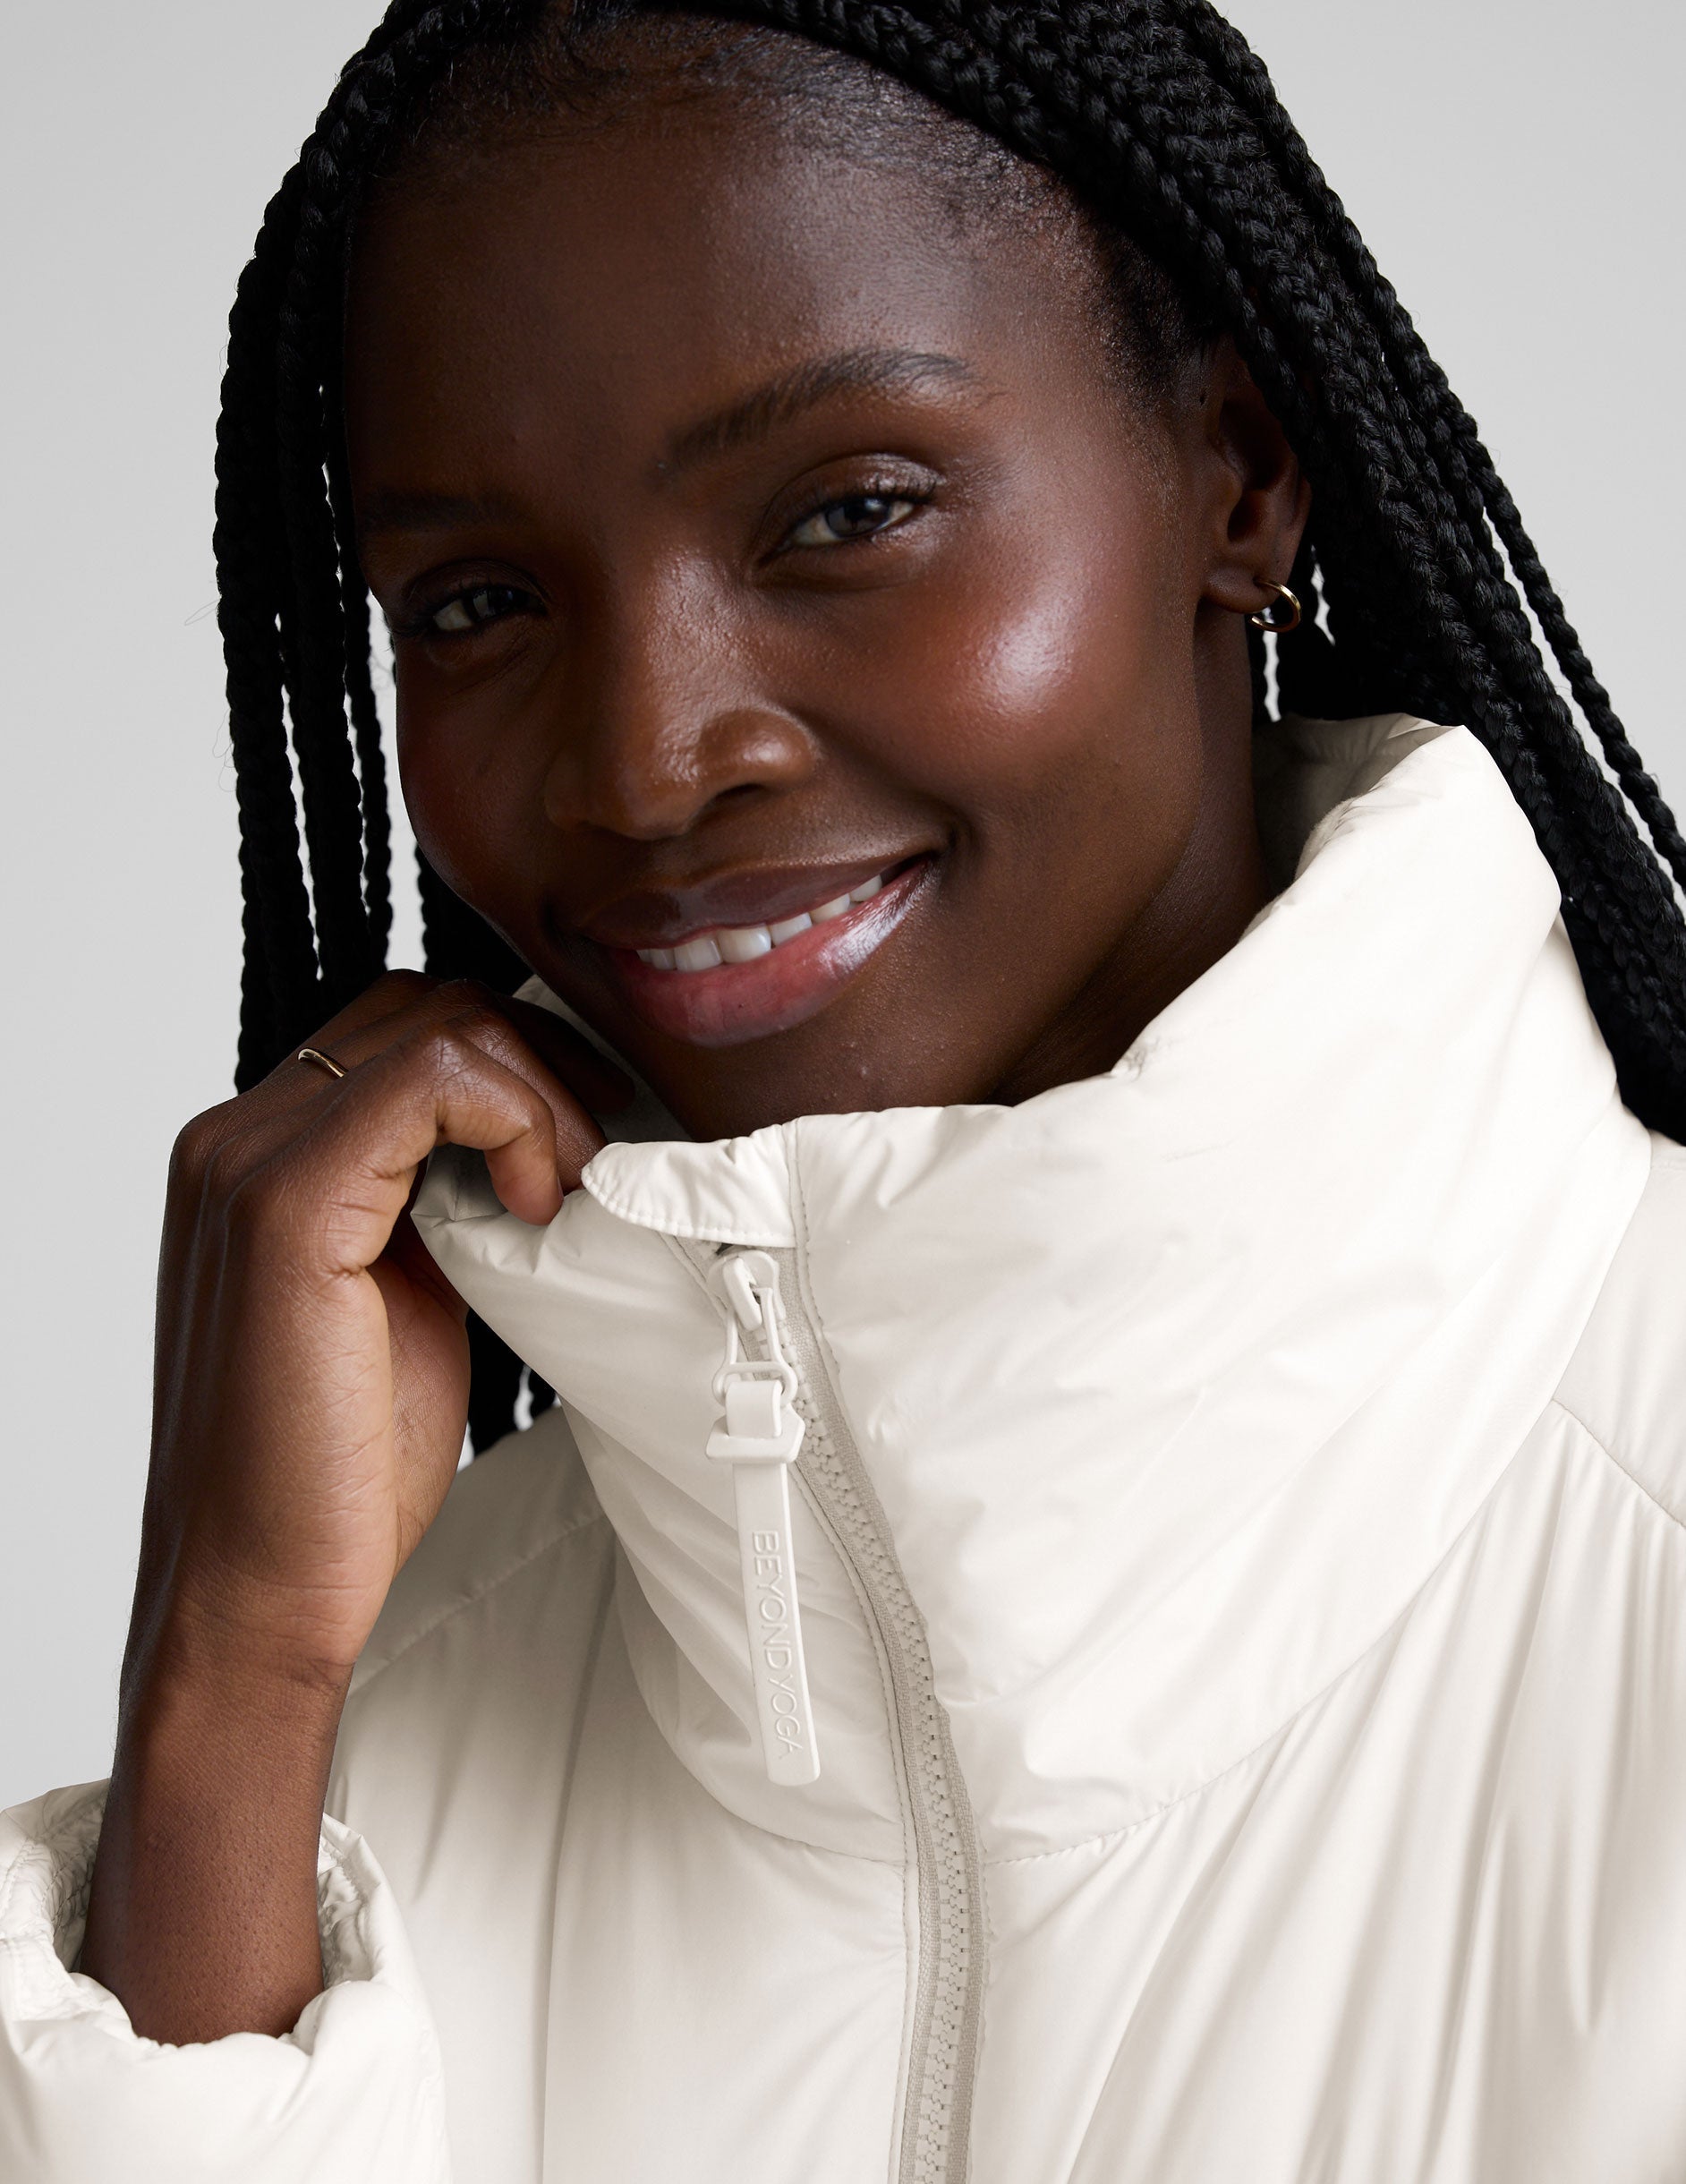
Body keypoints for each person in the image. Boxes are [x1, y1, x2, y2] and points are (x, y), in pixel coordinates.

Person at [3, 1, 1683, 2178]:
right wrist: (230, 1676)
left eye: (847, 513)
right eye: (482, 600)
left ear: (1241, 472)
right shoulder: (344, 1768)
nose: (645, 758)